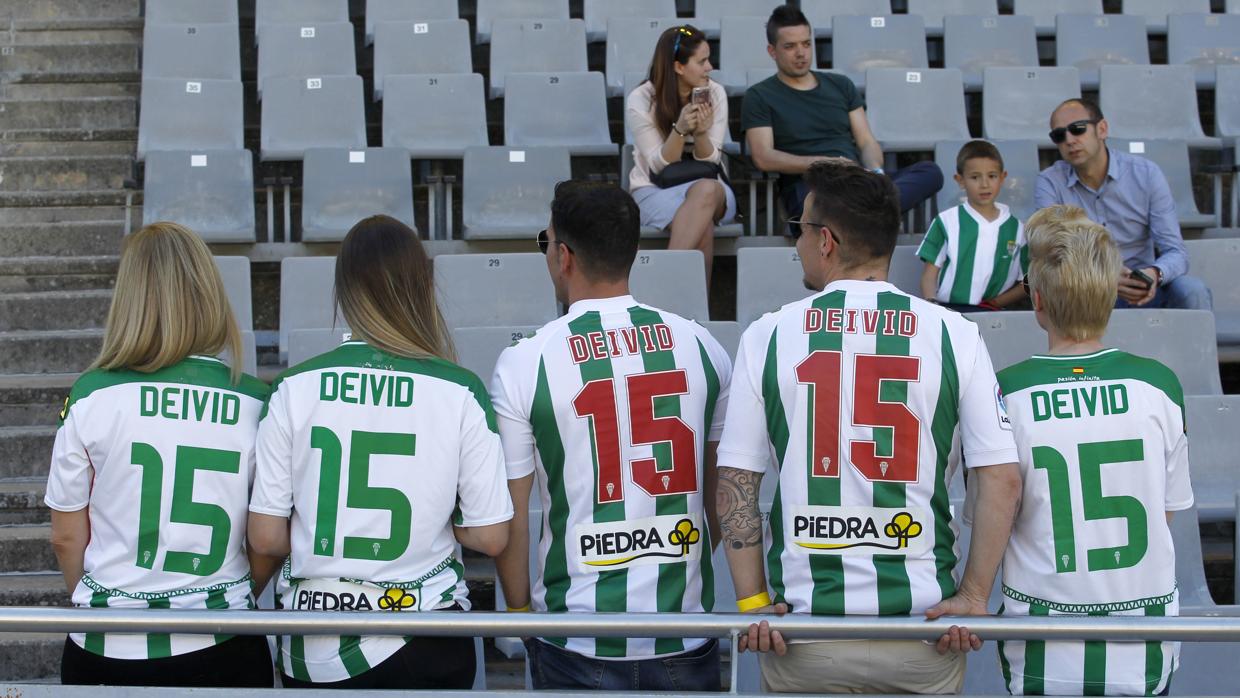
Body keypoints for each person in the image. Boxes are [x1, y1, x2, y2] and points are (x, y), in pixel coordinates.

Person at [715, 162, 1023, 694]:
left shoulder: (768, 334)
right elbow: (1001, 477)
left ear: (827, 240)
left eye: (801, 229)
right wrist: (974, 597)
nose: (797, 244)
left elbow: (738, 480)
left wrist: (754, 604)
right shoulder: (955, 333)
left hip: (807, 635)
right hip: (921, 628)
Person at [247, 215, 512, 690]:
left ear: (344, 291)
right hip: (425, 631)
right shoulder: (460, 389)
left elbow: (266, 538)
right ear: (423, 286)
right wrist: (433, 512)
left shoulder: (291, 387)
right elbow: (492, 538)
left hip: (316, 640)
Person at [491, 182, 733, 691]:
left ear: (564, 256)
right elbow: (722, 495)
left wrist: (517, 612)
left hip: (574, 633)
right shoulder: (702, 346)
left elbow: (512, 513)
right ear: (632, 251)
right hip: (683, 629)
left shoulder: (525, 361)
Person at [46, 222, 273, 688]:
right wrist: (239, 591)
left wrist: (97, 600)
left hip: (104, 645)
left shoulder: (90, 395)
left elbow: (66, 536)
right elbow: (268, 536)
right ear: (209, 294)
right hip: (221, 640)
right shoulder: (255, 401)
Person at [996, 215, 1192, 695]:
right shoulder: (1159, 385)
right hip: (1142, 637)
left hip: (1043, 638)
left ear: (1036, 302)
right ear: (1111, 297)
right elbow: (1162, 512)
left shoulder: (1007, 391)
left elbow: (998, 513)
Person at [742, 4, 943, 221]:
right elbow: (764, 157)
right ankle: (874, 212)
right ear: (772, 51)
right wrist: (824, 163)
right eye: (790, 46)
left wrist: (876, 173)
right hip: (811, 187)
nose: (801, 53)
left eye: (806, 44)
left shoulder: (840, 85)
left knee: (930, 172)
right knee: (828, 205)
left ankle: (867, 210)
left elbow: (866, 141)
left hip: (857, 181)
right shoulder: (759, 95)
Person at [1034, 98, 1212, 311]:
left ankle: (1198, 346)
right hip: (1086, 289)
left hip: (1142, 285)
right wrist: (1103, 276)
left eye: (1078, 129)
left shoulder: (1146, 174)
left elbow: (1176, 251)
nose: (1069, 140)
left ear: (1102, 129)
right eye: (1059, 135)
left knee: (1193, 290)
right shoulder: (1050, 181)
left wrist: (1154, 274)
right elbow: (1048, 251)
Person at [626, 24, 736, 287]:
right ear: (678, 67)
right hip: (653, 189)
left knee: (707, 190)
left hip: (711, 188)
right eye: (702, 61)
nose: (710, 67)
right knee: (703, 226)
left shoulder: (716, 93)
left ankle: (659, 286)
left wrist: (700, 133)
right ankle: (695, 314)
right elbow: (659, 164)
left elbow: (710, 161)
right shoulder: (641, 99)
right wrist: (680, 129)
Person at [918, 140, 1027, 312]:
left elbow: (1029, 282)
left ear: (1002, 178)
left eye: (992, 176)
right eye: (975, 177)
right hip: (948, 309)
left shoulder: (1018, 229)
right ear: (960, 180)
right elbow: (928, 275)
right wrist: (932, 305)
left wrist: (997, 303)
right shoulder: (946, 221)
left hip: (993, 313)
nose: (984, 184)